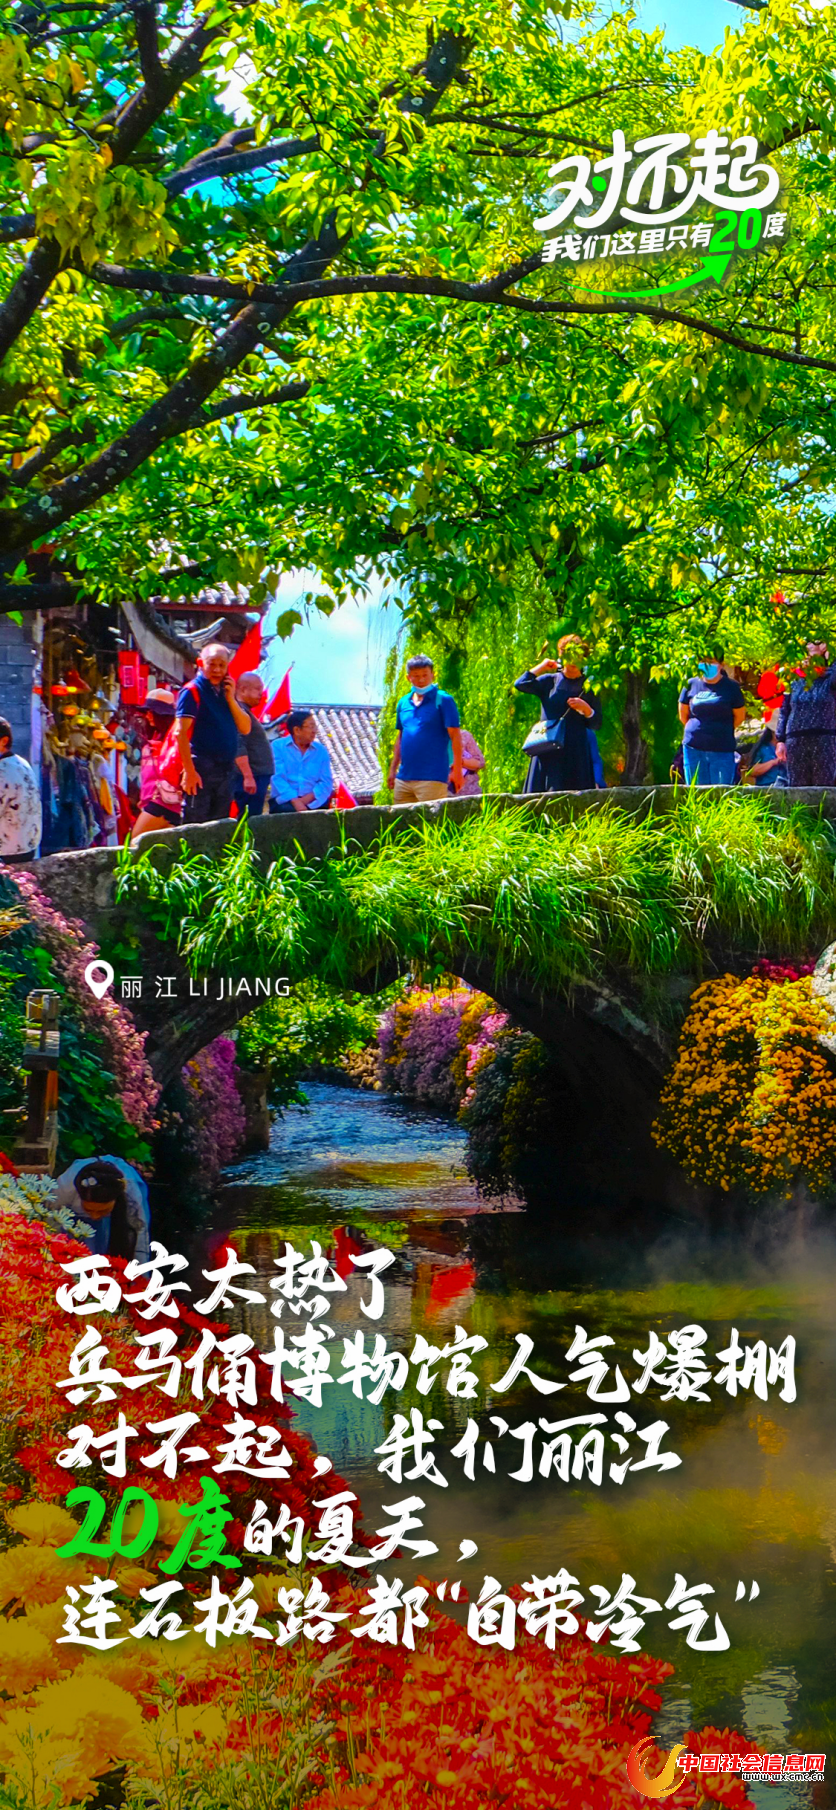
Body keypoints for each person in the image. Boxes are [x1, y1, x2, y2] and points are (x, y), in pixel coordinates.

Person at [175, 644, 253, 823]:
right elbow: (180, 733)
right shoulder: (192, 691)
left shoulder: (227, 692)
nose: (217, 670)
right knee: (195, 824)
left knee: (220, 825)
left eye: (222, 665)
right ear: (200, 663)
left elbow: (245, 728)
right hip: (200, 769)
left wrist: (231, 699)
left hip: (226, 770)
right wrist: (189, 771)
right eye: (212, 664)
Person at [514, 635, 601, 792]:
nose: (573, 661)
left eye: (578, 656)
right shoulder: (550, 681)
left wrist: (586, 709)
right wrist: (542, 666)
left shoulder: (589, 685)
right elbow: (521, 684)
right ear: (562, 656)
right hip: (549, 749)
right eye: (569, 656)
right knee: (543, 798)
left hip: (576, 752)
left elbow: (596, 723)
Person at [388, 655, 463, 803]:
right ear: (408, 677)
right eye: (416, 676)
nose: (421, 680)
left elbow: (455, 736)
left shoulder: (443, 700)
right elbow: (400, 738)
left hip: (432, 777)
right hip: (404, 778)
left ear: (432, 675)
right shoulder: (403, 703)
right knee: (400, 817)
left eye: (425, 675)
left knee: (430, 817)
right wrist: (392, 770)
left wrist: (457, 771)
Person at [53, 1156, 151, 1262]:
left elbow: (139, 1240)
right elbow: (52, 1222)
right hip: (75, 1222)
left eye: (103, 1211)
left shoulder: (132, 1195)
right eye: (88, 1209)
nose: (94, 1216)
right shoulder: (64, 1189)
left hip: (115, 1224)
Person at [678, 652, 746, 785]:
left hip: (722, 749)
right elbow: (683, 714)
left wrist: (720, 730)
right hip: (693, 748)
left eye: (711, 661)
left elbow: (739, 717)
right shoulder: (690, 684)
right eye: (703, 661)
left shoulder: (732, 687)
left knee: (720, 791)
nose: (707, 665)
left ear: (721, 665)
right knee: (696, 791)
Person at [775, 642, 836, 786]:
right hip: (795, 740)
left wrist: (829, 650)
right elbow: (785, 710)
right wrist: (780, 740)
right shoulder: (794, 681)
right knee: (797, 787)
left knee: (824, 787)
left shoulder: (830, 679)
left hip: (825, 739)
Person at [132, 688, 182, 836]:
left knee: (135, 843)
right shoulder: (151, 741)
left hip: (165, 803)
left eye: (152, 712)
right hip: (153, 802)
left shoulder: (174, 741)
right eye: (146, 712)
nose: (148, 716)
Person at [270, 708, 334, 812]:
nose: (314, 731)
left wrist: (304, 801)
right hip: (285, 801)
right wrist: (295, 801)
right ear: (297, 730)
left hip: (314, 801)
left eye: (315, 726)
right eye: (311, 726)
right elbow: (277, 777)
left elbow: (326, 781)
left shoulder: (321, 750)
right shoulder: (278, 746)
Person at [0, 716, 41, 861]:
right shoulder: (21, 762)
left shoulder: (3, 769)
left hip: (8, 851)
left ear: (4, 741)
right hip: (27, 846)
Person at [233, 672, 273, 817]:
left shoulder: (245, 712)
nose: (261, 693)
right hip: (249, 778)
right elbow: (238, 745)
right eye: (257, 689)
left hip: (256, 776)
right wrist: (247, 776)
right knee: (247, 818)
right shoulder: (239, 713)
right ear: (243, 689)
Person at [744, 725, 788, 789]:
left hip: (786, 786)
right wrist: (773, 762)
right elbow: (752, 771)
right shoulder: (762, 748)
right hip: (765, 786)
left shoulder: (790, 747)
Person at [451, 727, 486, 797]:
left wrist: (459, 761)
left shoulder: (464, 735)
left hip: (470, 793)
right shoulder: (432, 740)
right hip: (442, 794)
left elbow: (480, 763)